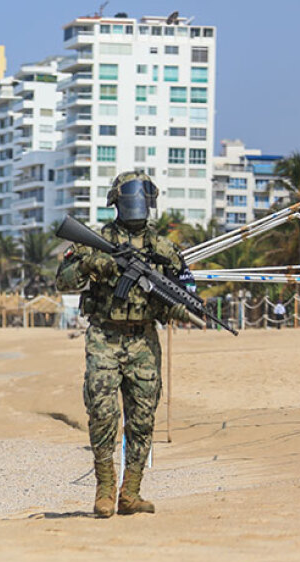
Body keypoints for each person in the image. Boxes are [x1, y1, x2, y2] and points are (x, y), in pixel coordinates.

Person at [56, 172, 193, 518]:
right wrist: (91, 263)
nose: (136, 205)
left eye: (141, 199)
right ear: (116, 201)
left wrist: (179, 306)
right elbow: (63, 281)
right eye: (130, 198)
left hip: (144, 339)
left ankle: (130, 492)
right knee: (102, 412)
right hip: (104, 336)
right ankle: (104, 489)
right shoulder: (93, 241)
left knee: (142, 419)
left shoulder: (163, 249)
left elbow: (184, 288)